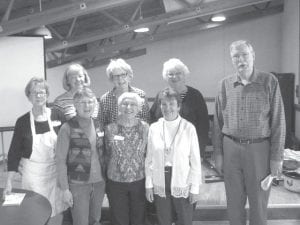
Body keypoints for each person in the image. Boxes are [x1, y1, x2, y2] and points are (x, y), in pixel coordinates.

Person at [213, 40, 286, 225]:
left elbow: (278, 121)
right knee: (234, 201)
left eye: (244, 54)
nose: (240, 60)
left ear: (253, 55)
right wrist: (218, 154)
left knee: (258, 201)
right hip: (230, 149)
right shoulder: (224, 85)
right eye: (235, 56)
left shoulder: (269, 81)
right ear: (231, 60)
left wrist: (276, 157)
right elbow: (217, 124)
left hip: (259, 149)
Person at [3, 77, 68, 225]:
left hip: (56, 173)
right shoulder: (23, 121)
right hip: (33, 175)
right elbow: (14, 152)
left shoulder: (58, 115)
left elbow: (68, 144)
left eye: (42, 92)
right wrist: (9, 182)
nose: (38, 96)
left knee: (57, 210)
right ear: (28, 96)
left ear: (47, 94)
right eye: (34, 93)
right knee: (35, 213)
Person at [145, 87, 202, 225]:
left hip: (182, 180)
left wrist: (195, 188)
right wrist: (149, 185)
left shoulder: (189, 128)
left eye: (171, 104)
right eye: (163, 104)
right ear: (160, 106)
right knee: (164, 220)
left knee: (184, 220)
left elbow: (195, 162)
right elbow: (149, 159)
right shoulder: (154, 128)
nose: (167, 108)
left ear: (178, 106)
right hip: (160, 179)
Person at [56, 88, 106, 225]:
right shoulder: (67, 128)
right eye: (82, 102)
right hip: (78, 185)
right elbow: (60, 161)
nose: (87, 106)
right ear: (75, 105)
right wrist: (65, 189)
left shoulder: (98, 125)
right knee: (80, 222)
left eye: (90, 102)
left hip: (99, 183)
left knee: (95, 219)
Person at [104, 92, 149, 225]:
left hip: (139, 180)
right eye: (125, 104)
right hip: (116, 181)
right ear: (119, 106)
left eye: (133, 104)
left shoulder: (145, 128)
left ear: (139, 108)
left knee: (138, 217)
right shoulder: (110, 128)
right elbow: (106, 154)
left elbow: (148, 153)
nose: (128, 107)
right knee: (119, 218)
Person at [150, 58, 209, 158]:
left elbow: (203, 126)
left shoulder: (195, 95)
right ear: (166, 77)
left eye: (178, 73)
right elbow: (152, 119)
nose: (174, 77)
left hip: (188, 151)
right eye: (170, 74)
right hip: (164, 151)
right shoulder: (161, 95)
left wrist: (199, 153)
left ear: (184, 75)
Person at [98, 58, 150, 127]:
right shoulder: (105, 99)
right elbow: (101, 124)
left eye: (123, 75)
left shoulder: (141, 95)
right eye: (116, 76)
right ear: (111, 79)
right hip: (112, 136)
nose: (120, 79)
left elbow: (146, 120)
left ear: (129, 76)